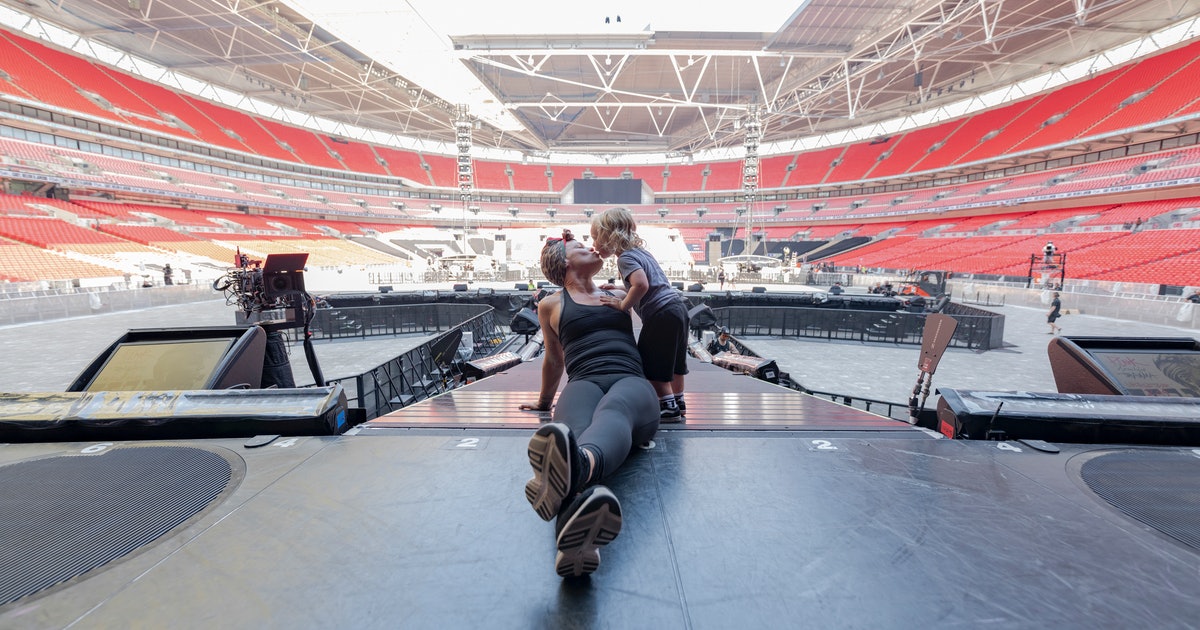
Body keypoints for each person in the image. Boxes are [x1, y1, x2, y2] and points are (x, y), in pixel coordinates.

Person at [518, 230, 660, 578]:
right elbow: (554, 360)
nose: (592, 247)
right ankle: (577, 533)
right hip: (583, 382)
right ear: (564, 262)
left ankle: (580, 470)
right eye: (581, 246)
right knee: (572, 435)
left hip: (630, 381)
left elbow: (656, 299)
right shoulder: (550, 305)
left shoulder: (620, 294)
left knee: (615, 411)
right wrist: (543, 402)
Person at [591, 207, 691, 421]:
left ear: (608, 236)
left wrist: (622, 304)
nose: (594, 244)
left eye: (595, 238)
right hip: (677, 308)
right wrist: (622, 287)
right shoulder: (641, 252)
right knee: (675, 362)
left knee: (652, 361)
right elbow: (651, 282)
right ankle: (679, 401)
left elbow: (642, 285)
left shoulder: (624, 259)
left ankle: (667, 406)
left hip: (661, 314)